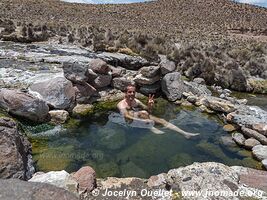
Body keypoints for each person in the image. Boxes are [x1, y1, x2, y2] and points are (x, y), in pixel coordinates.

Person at [117, 85, 200, 139]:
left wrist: (150, 105)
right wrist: (143, 121)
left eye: (133, 92)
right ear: (125, 93)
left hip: (141, 116)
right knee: (142, 113)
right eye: (129, 92)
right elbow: (126, 116)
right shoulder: (121, 105)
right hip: (130, 121)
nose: (132, 94)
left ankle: (185, 133)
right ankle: (151, 127)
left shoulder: (136, 101)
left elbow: (149, 110)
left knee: (162, 121)